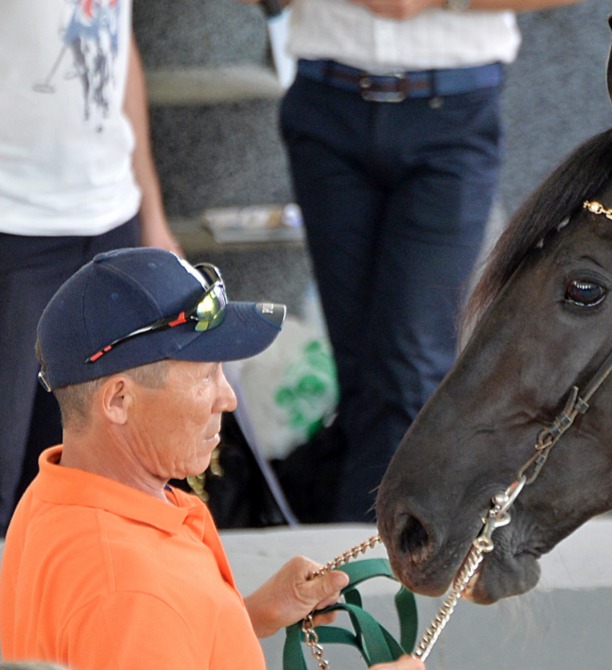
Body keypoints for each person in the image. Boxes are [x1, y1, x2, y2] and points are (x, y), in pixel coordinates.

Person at [0, 248, 422, 670]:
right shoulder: (132, 592)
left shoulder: (51, 499)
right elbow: (137, 617)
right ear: (119, 399)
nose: (229, 397)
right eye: (205, 376)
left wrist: (245, 614)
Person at [245, 0, 581, 522]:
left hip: (452, 110)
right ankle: (364, 559)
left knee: (410, 367)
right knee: (357, 372)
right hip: (325, 100)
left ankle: (370, 564)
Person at [0, 0, 182, 536]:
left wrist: (152, 213)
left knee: (96, 476)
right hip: (15, 224)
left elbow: (119, 49)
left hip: (112, 220)